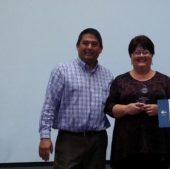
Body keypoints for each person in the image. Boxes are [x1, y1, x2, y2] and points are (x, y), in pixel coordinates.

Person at [38, 28, 114, 169]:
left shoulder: (107, 75)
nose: (89, 47)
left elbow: (111, 106)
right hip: (69, 141)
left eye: (94, 44)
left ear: (101, 49)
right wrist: (45, 136)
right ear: (77, 46)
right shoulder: (62, 70)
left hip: (98, 141)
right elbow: (49, 105)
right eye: (85, 43)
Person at [104, 35, 170, 169]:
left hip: (158, 147)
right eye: (137, 52)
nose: (141, 55)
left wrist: (160, 110)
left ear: (152, 55)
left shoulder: (164, 80)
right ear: (130, 56)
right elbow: (109, 107)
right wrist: (126, 109)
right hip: (126, 148)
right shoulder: (120, 80)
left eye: (146, 52)